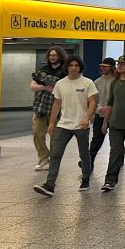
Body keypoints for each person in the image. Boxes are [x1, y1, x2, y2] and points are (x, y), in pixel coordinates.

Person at [33, 56, 98, 197]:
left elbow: (93, 102)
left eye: (76, 65)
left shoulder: (88, 83)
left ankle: (86, 179)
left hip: (81, 125)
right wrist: (51, 123)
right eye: (71, 65)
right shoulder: (60, 84)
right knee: (55, 154)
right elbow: (56, 103)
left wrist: (87, 118)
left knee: (84, 154)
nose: (73, 68)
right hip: (63, 125)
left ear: (80, 67)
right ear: (67, 67)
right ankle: (49, 185)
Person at [29, 46, 68, 171]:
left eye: (55, 55)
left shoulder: (65, 71)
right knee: (37, 133)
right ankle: (44, 157)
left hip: (58, 108)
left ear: (60, 56)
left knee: (55, 137)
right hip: (41, 106)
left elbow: (61, 85)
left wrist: (47, 81)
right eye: (51, 55)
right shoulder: (44, 69)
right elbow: (32, 86)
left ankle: (54, 161)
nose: (52, 57)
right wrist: (45, 87)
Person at [99, 55, 125, 191]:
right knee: (115, 151)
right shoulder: (115, 82)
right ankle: (110, 180)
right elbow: (110, 103)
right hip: (115, 124)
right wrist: (105, 122)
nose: (119, 66)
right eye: (118, 63)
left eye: (123, 64)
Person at [88, 57, 117, 164]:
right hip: (100, 115)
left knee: (115, 141)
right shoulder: (97, 82)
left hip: (114, 115)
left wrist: (110, 108)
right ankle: (89, 162)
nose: (103, 68)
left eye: (106, 66)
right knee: (97, 139)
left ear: (112, 67)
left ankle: (118, 161)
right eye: (102, 66)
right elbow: (94, 99)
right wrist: (99, 108)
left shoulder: (117, 81)